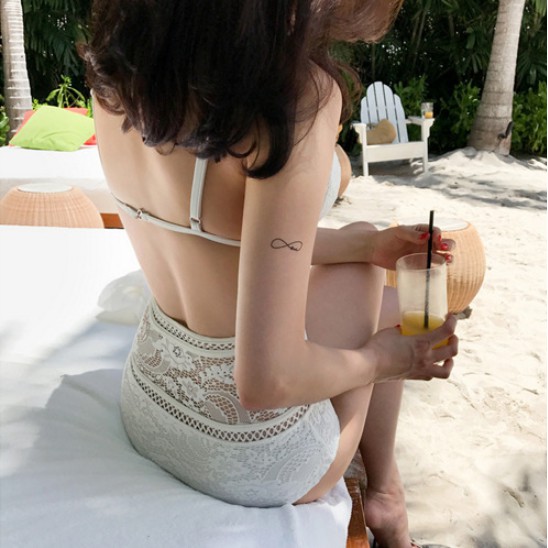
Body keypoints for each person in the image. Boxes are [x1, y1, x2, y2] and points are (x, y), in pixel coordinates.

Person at [81, 1, 458, 546]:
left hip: (151, 402)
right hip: (254, 458)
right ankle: (388, 500)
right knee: (372, 289)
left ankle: (386, 498)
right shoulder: (291, 95)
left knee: (371, 268)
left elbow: (216, 237)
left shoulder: (122, 74)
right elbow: (266, 381)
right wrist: (389, 359)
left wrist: (366, 242)